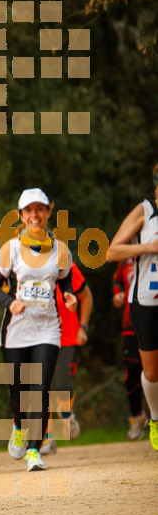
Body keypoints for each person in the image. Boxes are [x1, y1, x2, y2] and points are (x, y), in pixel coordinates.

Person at [0, 188, 77, 471]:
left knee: (40, 388)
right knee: (18, 392)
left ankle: (34, 450)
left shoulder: (61, 250)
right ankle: (18, 426)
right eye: (29, 211)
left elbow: (64, 280)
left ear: (49, 211)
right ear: (22, 216)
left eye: (40, 209)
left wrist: (69, 295)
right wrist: (9, 302)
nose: (35, 215)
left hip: (48, 328)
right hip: (15, 330)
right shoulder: (10, 249)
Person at [107, 163, 158, 451]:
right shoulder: (145, 211)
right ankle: (154, 419)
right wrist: (147, 248)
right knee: (151, 372)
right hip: (146, 301)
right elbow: (112, 251)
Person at [40, 263, 93, 454]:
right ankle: (45, 438)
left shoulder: (67, 267)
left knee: (63, 385)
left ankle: (67, 413)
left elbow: (86, 296)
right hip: (39, 337)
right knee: (40, 387)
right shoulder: (23, 266)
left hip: (67, 336)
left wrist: (83, 327)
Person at [112, 259, 148, 439]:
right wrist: (118, 294)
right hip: (131, 322)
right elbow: (118, 280)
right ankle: (136, 415)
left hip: (153, 321)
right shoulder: (126, 257)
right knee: (133, 371)